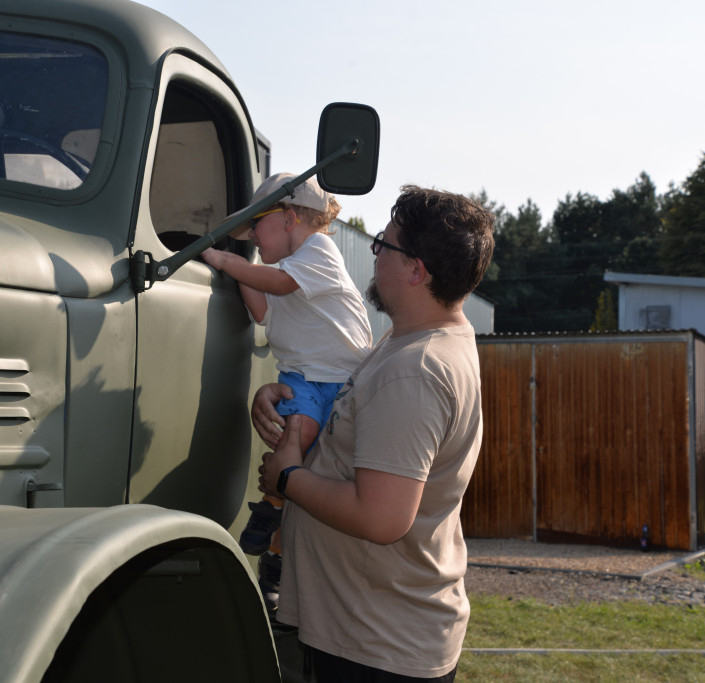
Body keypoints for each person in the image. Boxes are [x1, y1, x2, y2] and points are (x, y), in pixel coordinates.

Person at [254, 185, 495, 681]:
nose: (374, 252)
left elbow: (382, 517)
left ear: (415, 270)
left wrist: (288, 478)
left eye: (383, 244)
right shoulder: (408, 343)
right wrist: (287, 393)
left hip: (376, 646)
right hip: (368, 631)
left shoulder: (416, 369)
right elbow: (362, 418)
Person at [202, 173, 372, 610]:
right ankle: (272, 517)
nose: (253, 237)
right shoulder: (282, 272)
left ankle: (276, 532)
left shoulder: (318, 251)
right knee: (297, 436)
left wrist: (226, 261)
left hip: (343, 380)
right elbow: (262, 310)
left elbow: (277, 285)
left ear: (290, 217)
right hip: (301, 377)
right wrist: (241, 270)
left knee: (318, 464)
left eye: (257, 225)